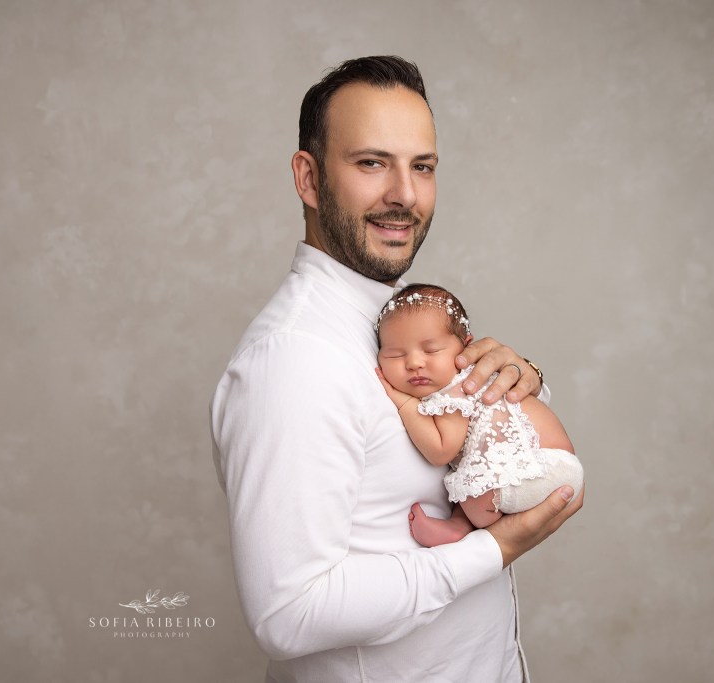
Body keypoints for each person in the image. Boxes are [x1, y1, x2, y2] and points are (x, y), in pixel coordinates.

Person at [209, 55, 584, 682]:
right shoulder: (295, 359)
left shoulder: (400, 319)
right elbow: (288, 613)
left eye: (422, 167)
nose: (404, 195)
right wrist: (491, 550)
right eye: (371, 163)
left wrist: (518, 385)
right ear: (308, 179)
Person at [375, 284, 585, 548]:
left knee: (474, 491)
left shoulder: (459, 389)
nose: (414, 363)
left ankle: (466, 527)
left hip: (540, 468)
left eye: (431, 351)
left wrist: (404, 403)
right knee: (471, 475)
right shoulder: (455, 383)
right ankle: (457, 525)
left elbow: (441, 450)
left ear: (466, 348)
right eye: (395, 354)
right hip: (544, 465)